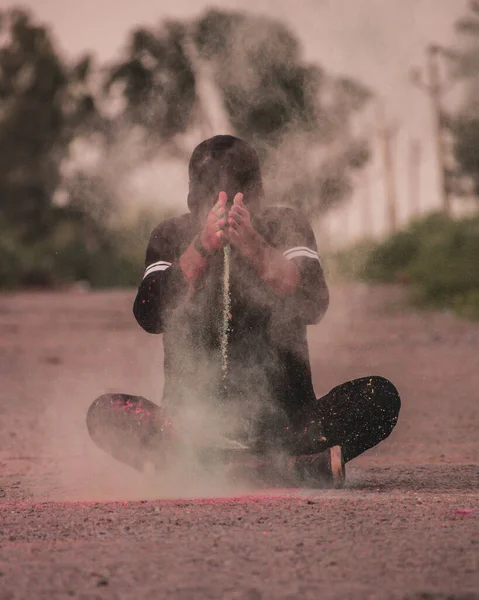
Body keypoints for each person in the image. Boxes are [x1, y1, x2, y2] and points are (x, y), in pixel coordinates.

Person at [86, 135, 401, 488]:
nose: (224, 207)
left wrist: (254, 246)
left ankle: (216, 470)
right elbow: (149, 315)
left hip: (285, 426)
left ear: (255, 195)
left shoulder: (286, 225)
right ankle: (279, 470)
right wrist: (201, 248)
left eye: (238, 197)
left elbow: (315, 303)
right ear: (194, 197)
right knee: (105, 413)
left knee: (378, 396)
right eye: (212, 199)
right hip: (192, 428)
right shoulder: (171, 234)